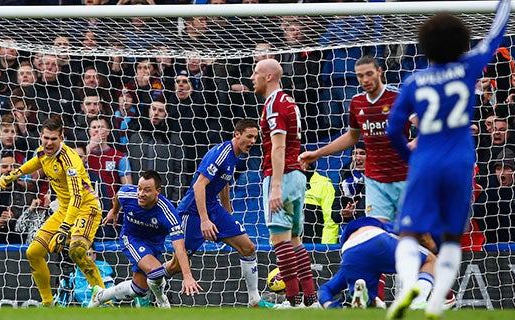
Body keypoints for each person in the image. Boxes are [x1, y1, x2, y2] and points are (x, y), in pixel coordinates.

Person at [385, 1, 511, 319]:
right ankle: (437, 302)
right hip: (460, 162)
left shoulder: (415, 81)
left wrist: (408, 158)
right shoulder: (469, 67)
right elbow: (495, 36)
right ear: (461, 42)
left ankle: (410, 284)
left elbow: (392, 128)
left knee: (408, 234)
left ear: (424, 46)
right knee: (452, 237)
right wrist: (505, 3)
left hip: (425, 161)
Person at [0, 117, 107, 307]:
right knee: (33, 252)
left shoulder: (70, 161)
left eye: (53, 139)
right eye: (45, 138)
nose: (48, 143)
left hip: (86, 208)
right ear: (41, 136)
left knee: (77, 251)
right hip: (65, 208)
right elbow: (36, 161)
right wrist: (14, 174)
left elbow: (77, 198)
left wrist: (64, 229)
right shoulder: (43, 152)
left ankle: (104, 299)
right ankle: (48, 304)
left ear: (61, 138)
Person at [165, 119, 274, 308]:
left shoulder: (236, 156)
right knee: (175, 266)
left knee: (248, 247)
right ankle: (149, 287)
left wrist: (227, 212)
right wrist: (204, 220)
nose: (253, 141)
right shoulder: (222, 153)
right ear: (237, 134)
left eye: (255, 137)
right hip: (192, 212)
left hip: (214, 208)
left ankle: (254, 300)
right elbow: (199, 185)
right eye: (249, 136)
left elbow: (224, 182)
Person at [300, 56, 413, 224]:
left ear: (380, 72)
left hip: (402, 175)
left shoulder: (399, 98)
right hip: (374, 178)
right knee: (377, 231)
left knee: (411, 234)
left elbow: (428, 128)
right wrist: (317, 153)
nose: (365, 80)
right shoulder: (357, 102)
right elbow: (351, 136)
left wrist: (409, 146)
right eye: (360, 76)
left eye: (369, 74)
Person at [250, 59, 319, 308]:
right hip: (297, 176)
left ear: (269, 76)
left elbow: (278, 147)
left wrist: (276, 185)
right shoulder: (289, 101)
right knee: (295, 240)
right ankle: (310, 300)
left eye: (256, 72)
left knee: (280, 240)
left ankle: (293, 300)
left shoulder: (274, 104)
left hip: (282, 175)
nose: (251, 77)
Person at [88, 170, 202, 308]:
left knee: (139, 289)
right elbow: (119, 195)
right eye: (140, 188)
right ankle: (162, 302)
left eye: (147, 190)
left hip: (153, 244)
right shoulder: (128, 194)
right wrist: (114, 211)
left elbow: (179, 247)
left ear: (157, 191)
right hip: (131, 238)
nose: (141, 194)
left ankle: (100, 295)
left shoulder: (168, 213)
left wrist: (187, 275)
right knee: (155, 272)